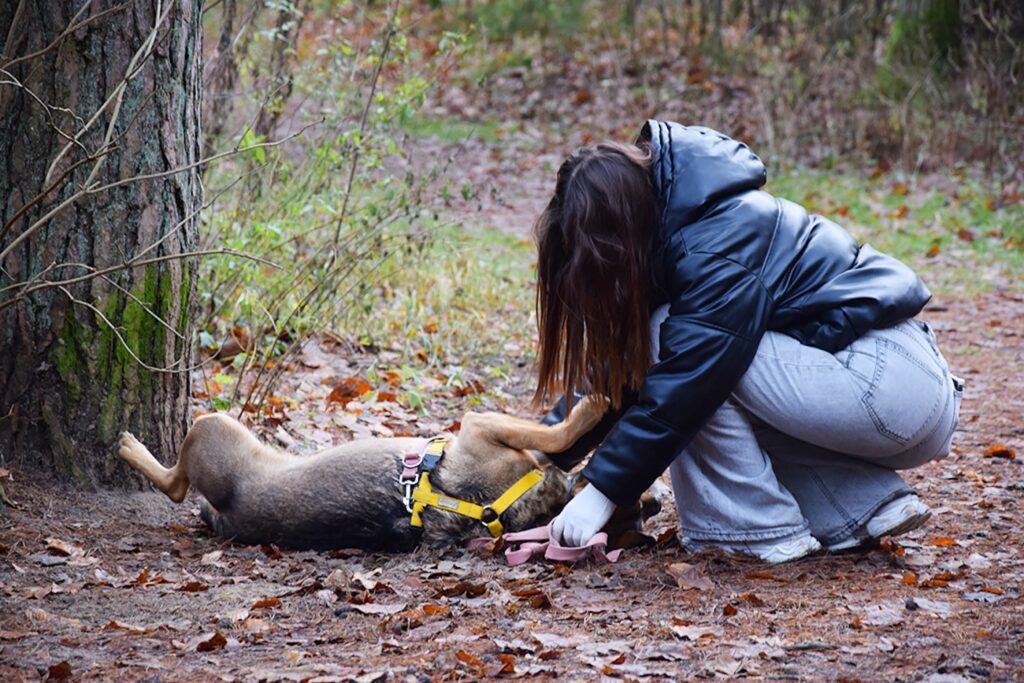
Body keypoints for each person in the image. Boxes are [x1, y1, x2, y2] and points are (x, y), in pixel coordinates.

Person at [534, 120, 963, 563]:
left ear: (618, 234)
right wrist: (539, 451)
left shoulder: (717, 239)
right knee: (698, 363)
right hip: (885, 386)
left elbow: (684, 377)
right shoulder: (681, 228)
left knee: (690, 369)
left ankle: (754, 533)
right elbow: (618, 382)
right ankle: (859, 505)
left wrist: (601, 491)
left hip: (888, 378)